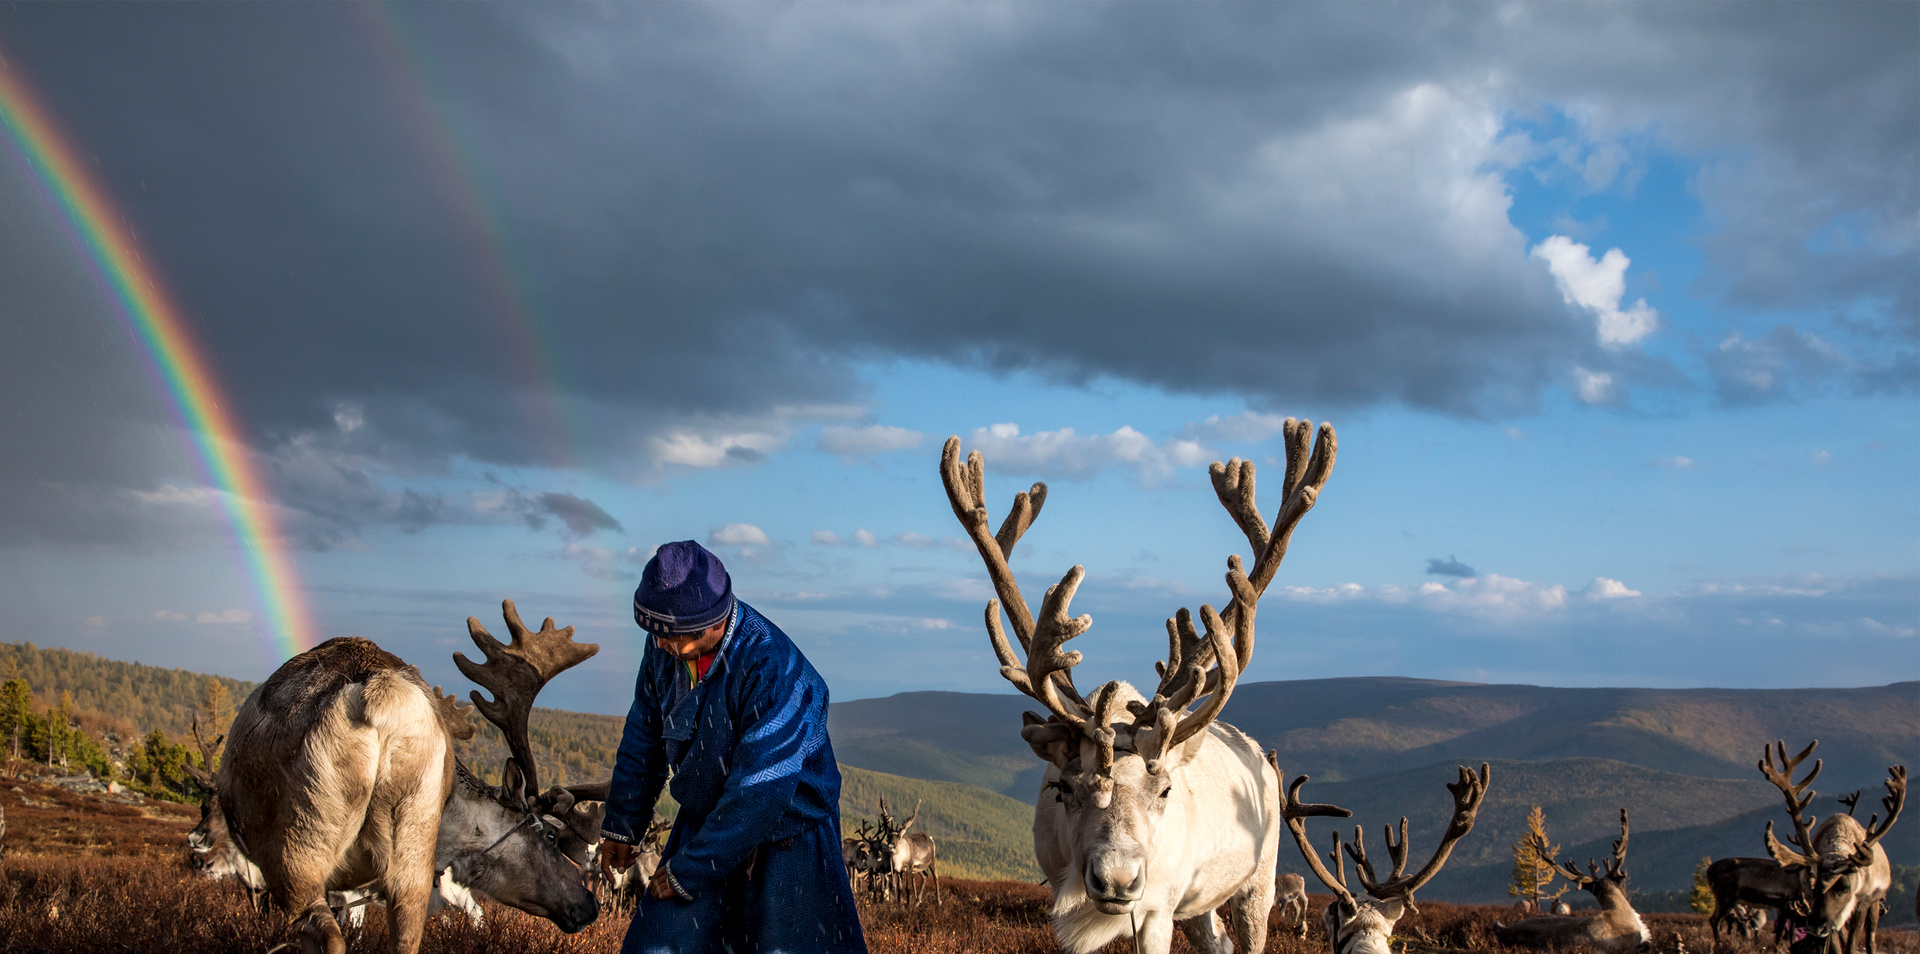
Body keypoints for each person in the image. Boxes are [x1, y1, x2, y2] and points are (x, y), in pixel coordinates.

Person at [599, 540, 866, 954]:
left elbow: (762, 790)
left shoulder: (768, 664)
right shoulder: (663, 645)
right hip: (707, 822)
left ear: (712, 624)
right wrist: (623, 822)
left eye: (673, 638)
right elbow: (644, 732)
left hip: (789, 835)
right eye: (655, 634)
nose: (662, 646)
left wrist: (689, 870)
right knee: (659, 945)